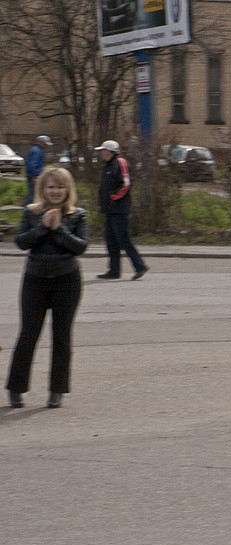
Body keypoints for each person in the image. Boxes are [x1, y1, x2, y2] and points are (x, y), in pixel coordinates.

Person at [7, 167, 88, 409]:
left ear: (67, 190)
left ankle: (56, 390)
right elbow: (20, 242)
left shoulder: (78, 215)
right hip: (35, 280)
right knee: (28, 335)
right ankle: (16, 388)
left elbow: (81, 247)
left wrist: (59, 229)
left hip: (67, 281)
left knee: (61, 337)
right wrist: (42, 227)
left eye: (60, 187)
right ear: (43, 189)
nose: (55, 191)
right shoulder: (31, 212)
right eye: (51, 187)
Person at [95, 140, 149, 281]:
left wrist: (114, 197)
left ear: (111, 151)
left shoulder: (120, 162)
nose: (101, 153)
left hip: (119, 209)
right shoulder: (108, 166)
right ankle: (114, 270)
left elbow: (126, 184)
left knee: (123, 239)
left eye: (104, 150)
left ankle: (140, 265)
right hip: (110, 210)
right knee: (111, 240)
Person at [24, 135, 52, 206]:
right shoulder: (37, 151)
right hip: (34, 176)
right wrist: (34, 177)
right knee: (32, 194)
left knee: (34, 193)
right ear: (41, 142)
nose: (46, 146)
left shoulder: (36, 149)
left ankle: (31, 209)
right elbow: (33, 164)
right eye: (45, 144)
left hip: (34, 175)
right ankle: (27, 210)